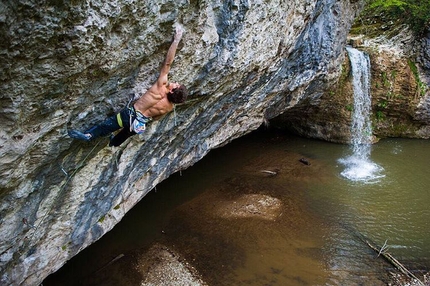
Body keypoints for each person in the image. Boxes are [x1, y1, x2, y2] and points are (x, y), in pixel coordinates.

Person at [68, 25, 188, 147]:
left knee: (106, 125)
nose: (176, 82)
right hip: (138, 125)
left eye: (176, 85)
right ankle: (113, 143)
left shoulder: (161, 86)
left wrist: (176, 40)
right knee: (123, 135)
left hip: (128, 115)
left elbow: (168, 63)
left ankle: (89, 135)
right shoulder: (168, 108)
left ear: (172, 90)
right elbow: (156, 119)